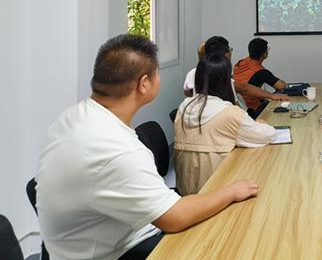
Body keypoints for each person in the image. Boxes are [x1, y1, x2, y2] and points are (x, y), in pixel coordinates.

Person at [36, 35, 259, 260]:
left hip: (80, 243)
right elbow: (175, 217)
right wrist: (231, 191)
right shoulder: (118, 148)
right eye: (157, 73)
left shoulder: (74, 117)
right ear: (144, 84)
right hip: (121, 251)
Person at [174, 54, 276, 196]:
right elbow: (267, 135)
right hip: (217, 188)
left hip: (186, 189)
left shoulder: (184, 107)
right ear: (225, 81)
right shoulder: (228, 112)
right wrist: (260, 122)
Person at [234, 38, 288, 112]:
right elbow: (282, 86)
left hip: (239, 104)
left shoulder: (239, 63)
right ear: (264, 54)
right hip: (253, 108)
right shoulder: (260, 71)